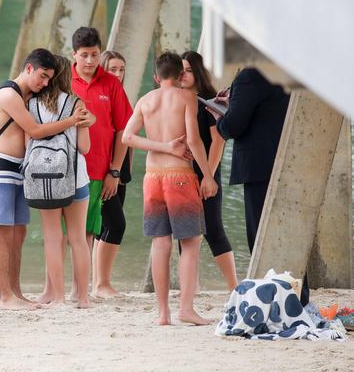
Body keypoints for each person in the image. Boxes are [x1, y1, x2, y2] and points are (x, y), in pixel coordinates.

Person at [0, 48, 86, 310]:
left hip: (20, 170)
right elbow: (36, 131)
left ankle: (16, 292)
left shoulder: (29, 96)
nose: (45, 83)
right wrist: (73, 120)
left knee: (19, 233)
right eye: (42, 76)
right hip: (0, 167)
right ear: (28, 68)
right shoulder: (9, 94)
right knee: (3, 233)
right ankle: (6, 296)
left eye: (50, 78)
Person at [122, 52, 218, 325]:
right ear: (180, 76)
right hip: (180, 176)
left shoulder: (144, 100)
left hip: (152, 177)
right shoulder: (186, 97)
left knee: (160, 243)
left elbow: (128, 137)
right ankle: (186, 309)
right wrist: (208, 175)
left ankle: (163, 313)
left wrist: (161, 146)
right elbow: (195, 141)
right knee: (189, 244)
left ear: (156, 77)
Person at [209, 67, 309, 305]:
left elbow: (234, 125)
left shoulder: (250, 76)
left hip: (259, 168)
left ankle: (274, 301)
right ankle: (299, 298)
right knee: (291, 235)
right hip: (290, 163)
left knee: (261, 238)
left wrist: (220, 119)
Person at [69, 27, 132, 300]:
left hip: (99, 169)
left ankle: (85, 287)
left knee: (91, 231)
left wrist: (114, 171)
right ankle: (67, 288)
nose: (90, 61)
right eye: (84, 55)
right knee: (66, 232)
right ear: (74, 55)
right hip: (66, 168)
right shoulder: (63, 80)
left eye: (94, 55)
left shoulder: (111, 83)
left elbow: (123, 129)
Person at [28, 55, 95, 308]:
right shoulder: (77, 104)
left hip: (44, 179)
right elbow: (85, 148)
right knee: (78, 238)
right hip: (75, 177)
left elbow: (28, 144)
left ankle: (57, 297)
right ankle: (83, 298)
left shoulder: (32, 105)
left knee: (52, 238)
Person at [180, 51, 238, 291]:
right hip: (181, 174)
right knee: (184, 232)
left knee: (213, 229)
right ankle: (190, 288)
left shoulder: (207, 101)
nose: (183, 74)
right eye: (180, 70)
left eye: (189, 70)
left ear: (198, 73)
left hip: (206, 173)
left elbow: (218, 141)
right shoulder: (178, 99)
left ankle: (235, 286)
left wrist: (208, 176)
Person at [93, 51, 132, 297]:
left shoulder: (120, 94)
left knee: (104, 227)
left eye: (121, 69)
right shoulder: (102, 94)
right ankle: (101, 284)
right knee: (115, 224)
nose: (118, 74)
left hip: (121, 169)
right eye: (113, 69)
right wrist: (111, 171)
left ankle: (99, 282)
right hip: (105, 169)